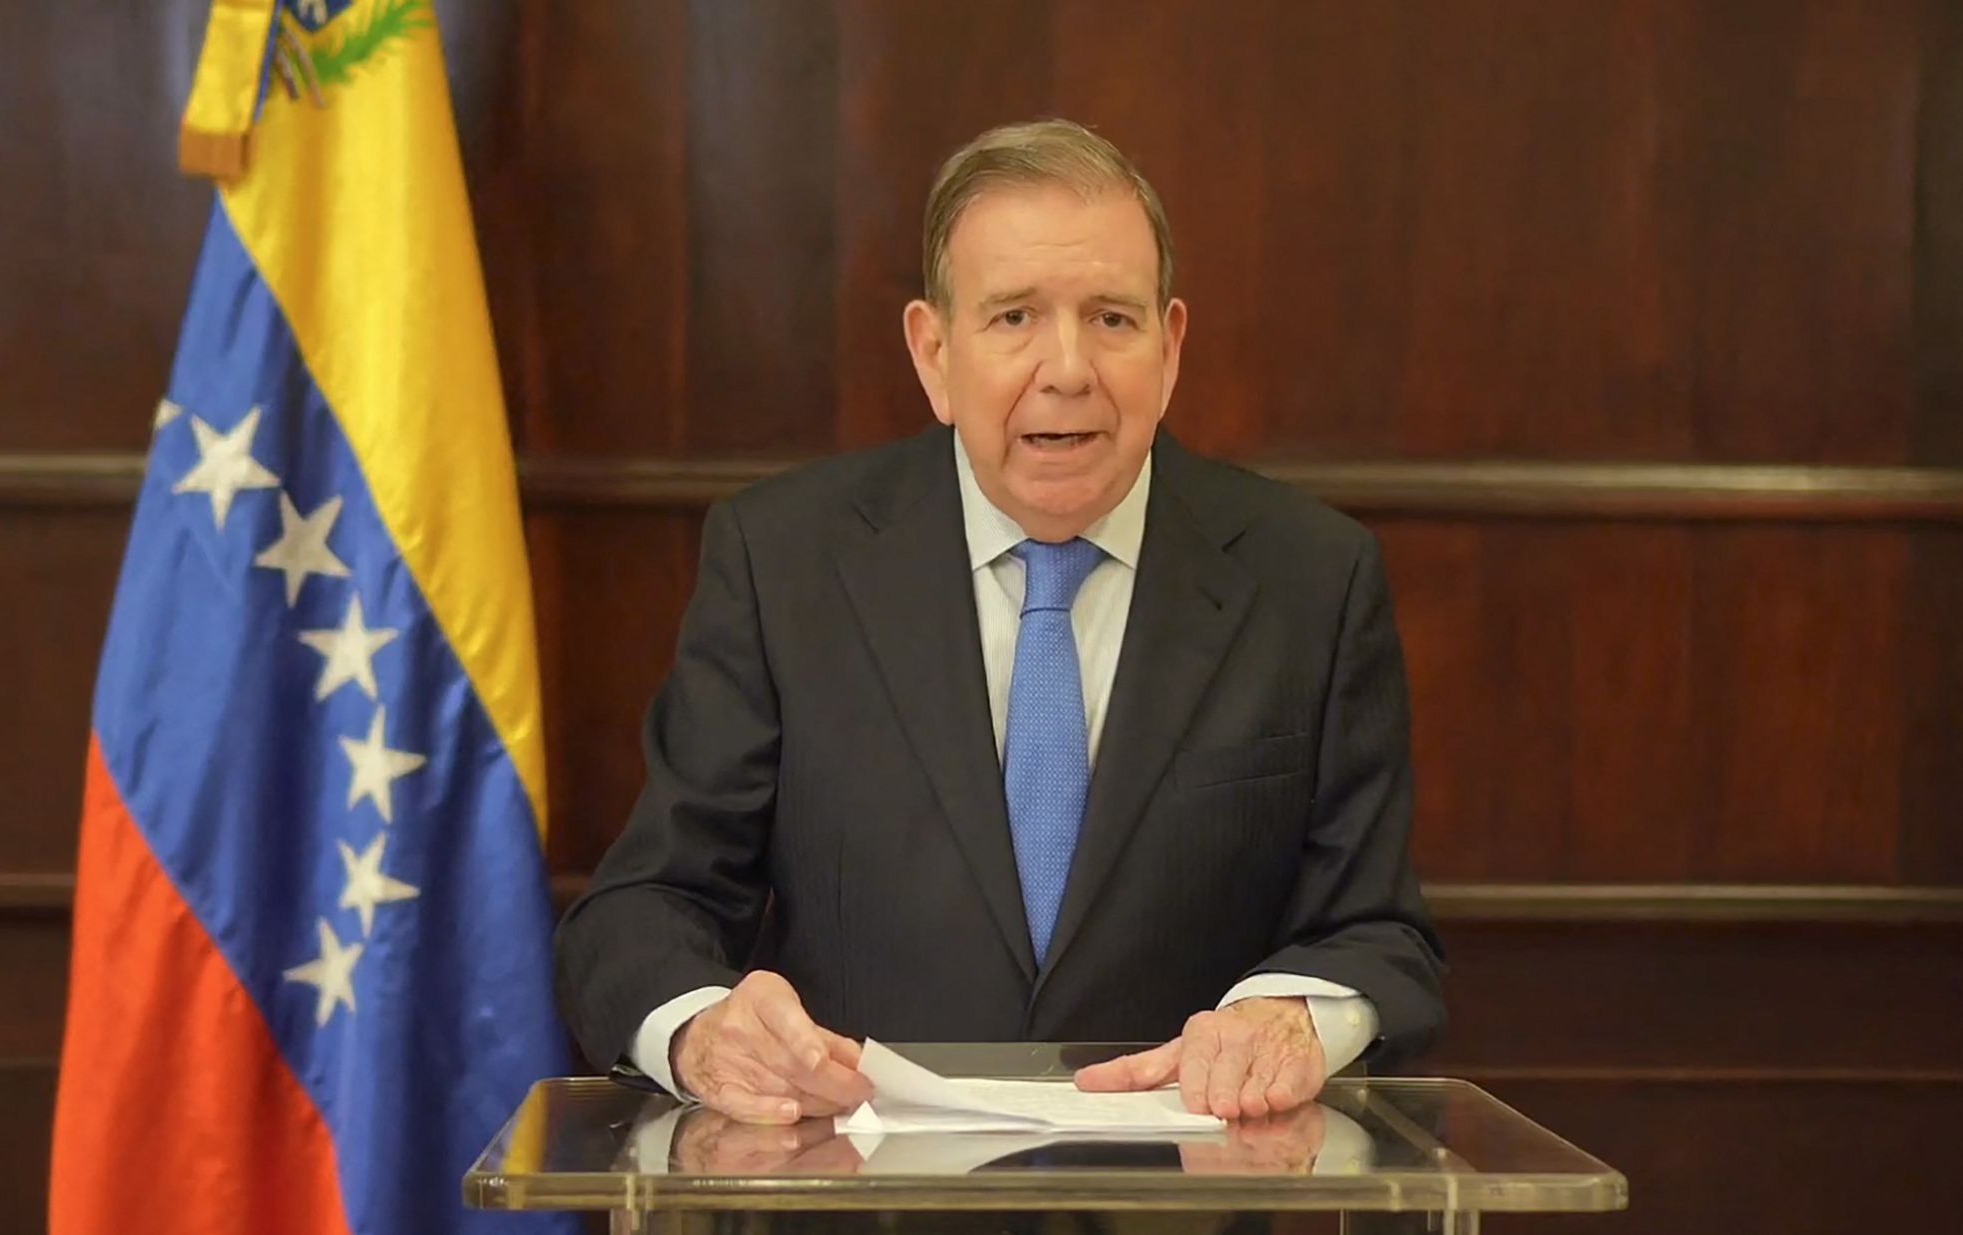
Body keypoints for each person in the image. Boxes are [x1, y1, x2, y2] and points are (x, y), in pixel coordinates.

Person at [556, 118, 1444, 1126]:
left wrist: (1292, 1017)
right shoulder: (784, 561)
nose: (1068, 368)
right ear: (934, 352)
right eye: (1015, 316)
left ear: (1170, 347)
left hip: (1181, 1182)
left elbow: (1377, 931)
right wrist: (704, 1032)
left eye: (1112, 319)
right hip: (861, 1182)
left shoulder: (1311, 578)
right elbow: (644, 907)